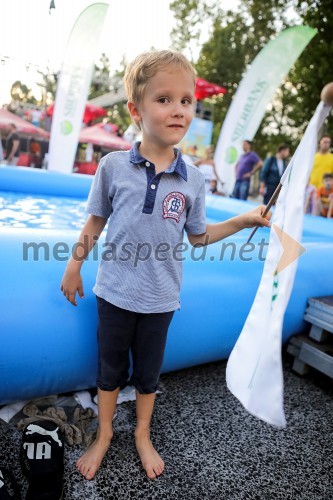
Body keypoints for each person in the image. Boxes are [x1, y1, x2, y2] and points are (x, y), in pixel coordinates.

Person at [60, 50, 271, 482]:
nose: (179, 109)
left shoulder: (193, 179)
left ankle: (141, 433)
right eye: (164, 99)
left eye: (186, 101)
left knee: (149, 375)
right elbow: (95, 221)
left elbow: (199, 237)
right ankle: (104, 433)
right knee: (110, 369)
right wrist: (73, 267)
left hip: (160, 299)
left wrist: (243, 219)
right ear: (136, 110)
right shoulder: (113, 166)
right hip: (115, 293)